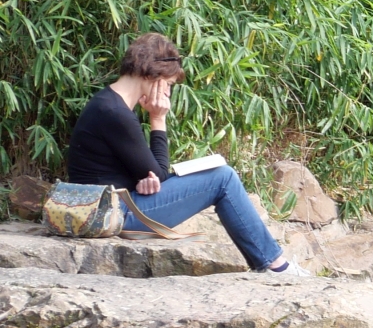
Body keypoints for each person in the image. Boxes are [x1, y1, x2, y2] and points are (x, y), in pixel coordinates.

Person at [64, 32, 310, 275]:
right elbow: (159, 174)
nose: (168, 94)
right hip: (116, 214)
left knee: (219, 175)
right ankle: (275, 266)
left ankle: (271, 263)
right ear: (153, 75)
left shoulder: (107, 103)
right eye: (169, 85)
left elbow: (145, 175)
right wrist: (158, 119)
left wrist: (145, 179)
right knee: (222, 178)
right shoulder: (116, 113)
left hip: (111, 206)